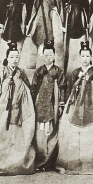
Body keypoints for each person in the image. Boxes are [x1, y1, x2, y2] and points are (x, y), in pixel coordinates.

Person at [56, 41, 93, 174]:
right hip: (78, 106)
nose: (85, 59)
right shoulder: (75, 73)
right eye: (83, 56)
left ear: (91, 57)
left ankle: (90, 161)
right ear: (79, 58)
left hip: (91, 105)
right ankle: (75, 161)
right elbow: (70, 91)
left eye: (87, 56)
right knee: (75, 132)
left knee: (92, 132)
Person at [0, 42, 35, 176]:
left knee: (16, 136)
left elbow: (28, 90)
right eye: (12, 57)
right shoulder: (2, 72)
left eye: (17, 57)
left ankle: (14, 164)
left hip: (19, 110)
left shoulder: (21, 73)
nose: (15, 59)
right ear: (7, 58)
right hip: (3, 110)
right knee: (1, 135)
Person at [31, 40, 66, 170]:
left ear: (54, 56)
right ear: (42, 56)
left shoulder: (58, 72)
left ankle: (49, 162)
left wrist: (61, 105)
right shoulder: (39, 72)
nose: (48, 58)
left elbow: (63, 88)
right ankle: (39, 162)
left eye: (50, 55)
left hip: (53, 104)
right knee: (40, 134)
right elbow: (33, 88)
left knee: (51, 132)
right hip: (39, 105)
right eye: (46, 55)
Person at [21, 0, 64, 70]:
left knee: (52, 46)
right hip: (40, 24)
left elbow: (60, 10)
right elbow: (34, 11)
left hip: (52, 24)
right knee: (40, 46)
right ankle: (40, 69)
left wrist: (61, 25)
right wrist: (31, 25)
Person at [62, 0, 90, 76]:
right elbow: (62, 13)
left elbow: (87, 15)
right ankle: (68, 75)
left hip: (80, 30)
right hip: (68, 30)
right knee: (68, 53)